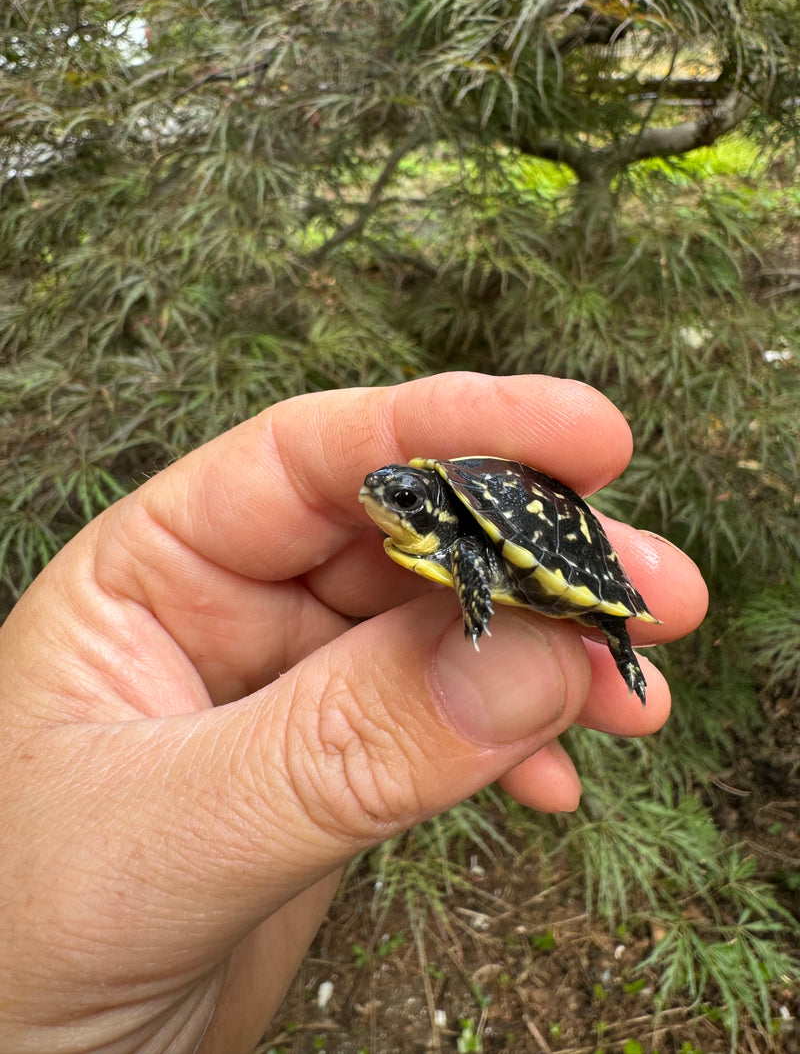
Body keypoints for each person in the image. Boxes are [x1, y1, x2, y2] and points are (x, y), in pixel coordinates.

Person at [0, 372, 707, 1054]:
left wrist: (477, 604)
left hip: (551, 559)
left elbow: (480, 548)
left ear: (425, 501)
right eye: (386, 487)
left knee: (591, 616)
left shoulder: (464, 529)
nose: (381, 495)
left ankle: (614, 630)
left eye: (400, 493)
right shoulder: (407, 533)